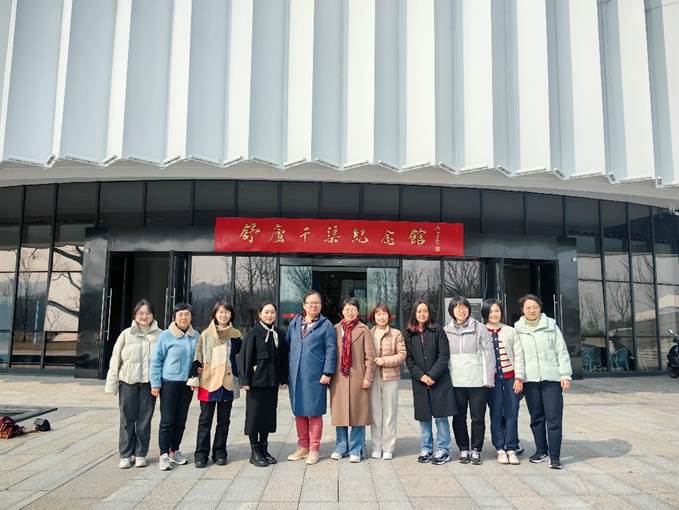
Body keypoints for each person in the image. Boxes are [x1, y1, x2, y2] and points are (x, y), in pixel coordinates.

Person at [514, 293, 572, 470]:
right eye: (528, 307)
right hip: (530, 380)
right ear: (522, 310)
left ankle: (554, 456)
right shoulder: (518, 329)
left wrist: (565, 374)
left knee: (553, 418)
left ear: (540, 308)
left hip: (551, 379)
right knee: (536, 417)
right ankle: (541, 451)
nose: (532, 310)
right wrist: (519, 377)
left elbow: (561, 351)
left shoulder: (551, 326)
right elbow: (518, 356)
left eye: (535, 307)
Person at [105, 299, 161, 469]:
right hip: (128, 382)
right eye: (140, 313)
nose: (144, 316)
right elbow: (115, 359)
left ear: (153, 315)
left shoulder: (160, 335)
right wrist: (112, 383)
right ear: (135, 315)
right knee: (127, 419)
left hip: (148, 383)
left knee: (144, 420)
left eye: (148, 313)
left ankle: (140, 453)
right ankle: (125, 454)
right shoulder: (126, 334)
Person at [186, 301, 241, 468]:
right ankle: (201, 454)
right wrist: (194, 377)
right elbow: (198, 356)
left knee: (224, 420)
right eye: (220, 312)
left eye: (226, 312)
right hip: (208, 381)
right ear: (215, 314)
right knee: (205, 419)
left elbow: (240, 358)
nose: (223, 315)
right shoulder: (205, 334)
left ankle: (220, 452)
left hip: (227, 381)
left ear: (231, 315)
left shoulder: (236, 335)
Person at [286, 290, 337, 465]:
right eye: (310, 302)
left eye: (317, 302)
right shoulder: (295, 322)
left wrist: (327, 372)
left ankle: (314, 449)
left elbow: (331, 350)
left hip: (316, 376)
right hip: (296, 375)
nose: (313, 305)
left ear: (321, 306)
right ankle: (303, 447)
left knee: (314, 412)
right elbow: (288, 346)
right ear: (304, 305)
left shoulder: (326, 325)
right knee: (299, 411)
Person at [404, 300, 457, 465]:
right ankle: (426, 448)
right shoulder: (409, 333)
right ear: (414, 314)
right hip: (420, 382)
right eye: (419, 311)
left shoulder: (438, 331)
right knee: (424, 417)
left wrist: (432, 375)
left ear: (429, 313)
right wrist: (422, 376)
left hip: (439, 380)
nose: (422, 314)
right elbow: (409, 359)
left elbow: (444, 355)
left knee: (441, 417)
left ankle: (443, 449)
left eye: (425, 311)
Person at [444, 296, 494, 465]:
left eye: (464, 307)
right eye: (457, 307)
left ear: (469, 310)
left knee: (477, 418)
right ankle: (463, 449)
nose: (461, 310)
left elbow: (488, 354)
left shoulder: (480, 328)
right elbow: (444, 357)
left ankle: (476, 449)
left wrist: (488, 379)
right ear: (452, 311)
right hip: (456, 382)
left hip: (477, 382)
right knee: (458, 418)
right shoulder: (446, 330)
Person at [237, 302, 288, 467]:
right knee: (254, 416)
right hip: (256, 382)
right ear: (260, 314)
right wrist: (245, 380)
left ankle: (264, 448)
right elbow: (244, 357)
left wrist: (283, 378)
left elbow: (283, 358)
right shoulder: (253, 333)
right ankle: (254, 451)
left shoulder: (279, 333)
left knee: (267, 416)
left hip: (271, 382)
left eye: (272, 312)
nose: (269, 315)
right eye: (266, 312)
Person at [150, 303, 200, 471]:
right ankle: (164, 453)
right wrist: (155, 384)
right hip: (169, 383)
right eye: (180, 315)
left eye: (187, 314)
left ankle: (174, 450)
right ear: (175, 317)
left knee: (181, 419)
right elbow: (156, 361)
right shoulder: (166, 336)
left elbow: (198, 360)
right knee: (167, 419)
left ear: (191, 317)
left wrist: (197, 378)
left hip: (187, 384)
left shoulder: (196, 336)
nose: (184, 317)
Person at [329, 298, 376, 463]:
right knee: (340, 414)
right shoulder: (334, 329)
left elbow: (370, 357)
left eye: (353, 309)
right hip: (339, 378)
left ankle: (356, 448)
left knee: (358, 414)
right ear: (342, 311)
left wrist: (368, 377)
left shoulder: (364, 329)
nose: (350, 312)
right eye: (347, 309)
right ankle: (341, 447)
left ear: (358, 312)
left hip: (358, 377)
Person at [481, 298, 525, 465]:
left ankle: (511, 448)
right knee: (496, 413)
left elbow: (519, 355)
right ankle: (500, 447)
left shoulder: (510, 331)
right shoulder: (481, 331)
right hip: (492, 381)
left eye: (497, 311)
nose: (494, 314)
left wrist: (519, 377)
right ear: (486, 313)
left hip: (510, 379)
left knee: (512, 412)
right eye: (491, 311)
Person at [368, 303, 406, 460]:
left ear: (389, 316)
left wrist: (384, 361)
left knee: (390, 413)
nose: (381, 317)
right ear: (374, 317)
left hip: (391, 377)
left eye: (384, 314)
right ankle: (376, 447)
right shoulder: (368, 333)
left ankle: (388, 448)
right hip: (373, 378)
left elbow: (402, 355)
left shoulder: (396, 334)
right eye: (378, 314)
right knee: (375, 413)